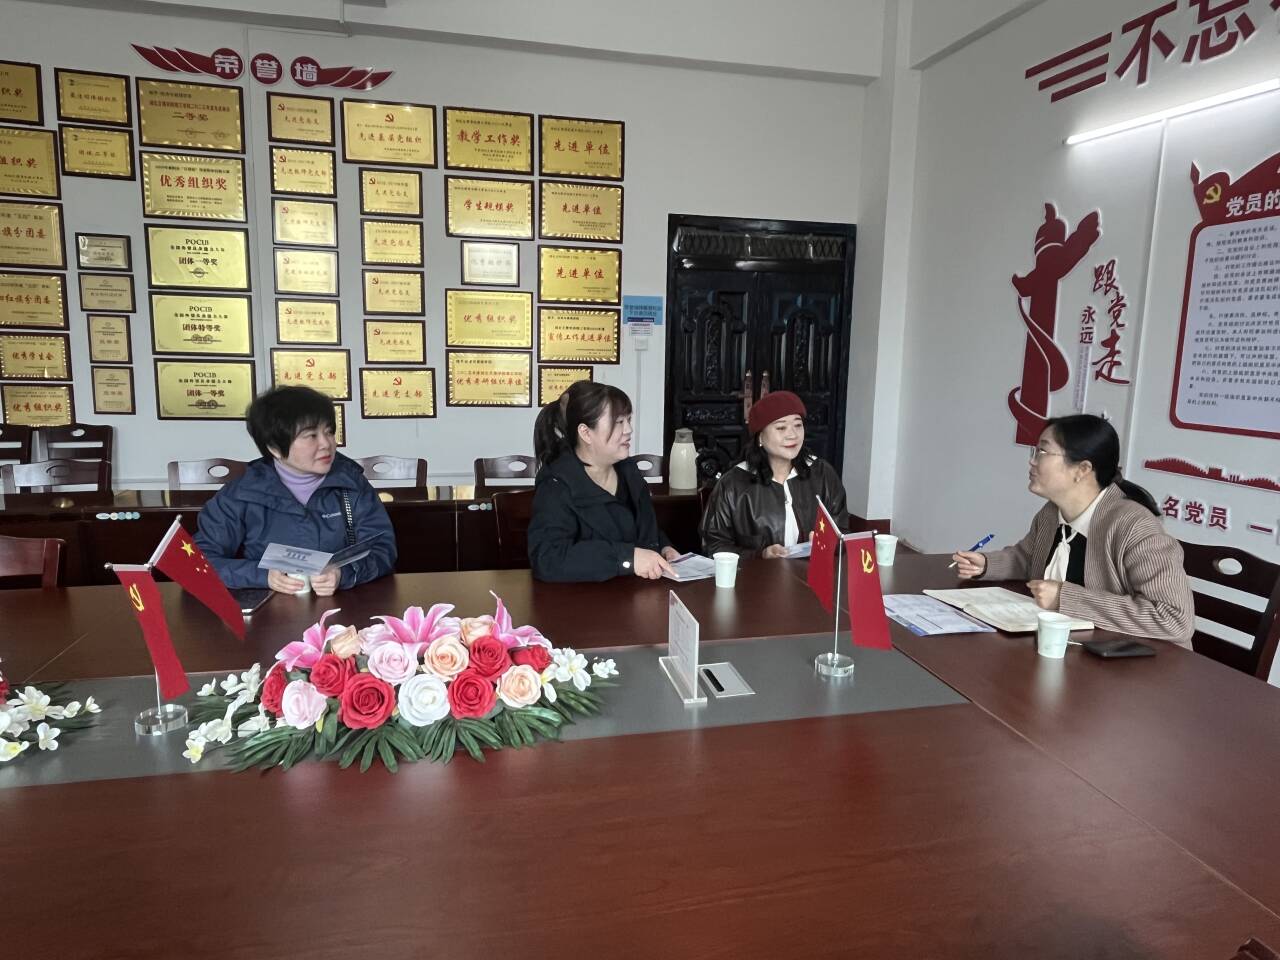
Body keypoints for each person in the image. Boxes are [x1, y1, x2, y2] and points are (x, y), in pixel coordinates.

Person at [951, 414, 1194, 646]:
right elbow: (1029, 558)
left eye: (1043, 452)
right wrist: (986, 564)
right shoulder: (1051, 513)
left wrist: (1064, 598)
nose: (1032, 461)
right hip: (1074, 647)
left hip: (1140, 662)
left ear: (1082, 469)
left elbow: (1174, 618)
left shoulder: (1134, 526)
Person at [194, 385, 396, 596]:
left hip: (342, 606)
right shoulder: (240, 494)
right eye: (311, 435)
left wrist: (343, 574)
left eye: (329, 432)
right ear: (274, 447)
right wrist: (262, 575)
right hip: (270, 608)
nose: (326, 444)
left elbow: (382, 548)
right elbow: (199, 562)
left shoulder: (352, 484)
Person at [528, 381, 681, 582]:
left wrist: (663, 547)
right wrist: (627, 558)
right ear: (585, 433)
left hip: (638, 592)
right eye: (618, 422)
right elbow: (548, 559)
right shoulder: (557, 484)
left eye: (628, 420)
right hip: (584, 598)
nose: (628, 429)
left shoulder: (629, 472)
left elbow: (638, 529)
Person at [700, 390, 849, 559]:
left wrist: (827, 543)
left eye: (798, 425)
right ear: (760, 437)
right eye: (781, 427)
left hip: (812, 573)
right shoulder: (732, 484)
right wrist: (760, 555)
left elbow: (842, 533)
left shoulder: (822, 474)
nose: (793, 435)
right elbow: (713, 545)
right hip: (758, 575)